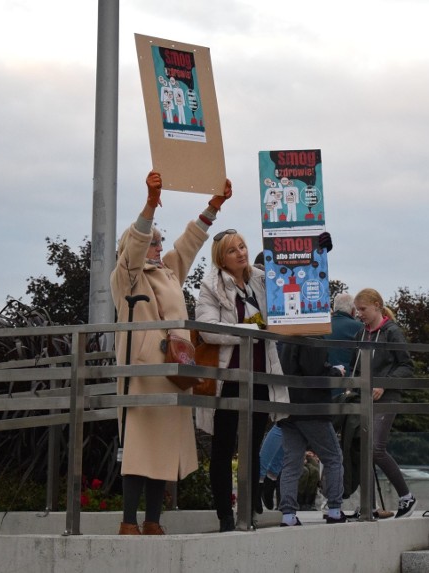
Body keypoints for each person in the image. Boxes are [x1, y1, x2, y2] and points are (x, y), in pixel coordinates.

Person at [111, 170, 231, 535]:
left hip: (174, 371)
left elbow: (189, 244)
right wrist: (149, 204)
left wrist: (213, 205)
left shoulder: (168, 272)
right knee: (138, 450)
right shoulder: (126, 275)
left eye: (159, 242)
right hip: (143, 376)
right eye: (153, 242)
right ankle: (128, 521)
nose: (158, 247)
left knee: (162, 452)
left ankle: (153, 521)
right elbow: (134, 246)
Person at [194, 229, 292, 532]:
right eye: (233, 250)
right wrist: (250, 328)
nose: (241, 253)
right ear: (221, 258)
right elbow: (208, 329)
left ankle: (248, 509)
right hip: (229, 376)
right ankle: (224, 513)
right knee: (223, 447)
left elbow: (297, 275)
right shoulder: (210, 286)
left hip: (261, 373)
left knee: (252, 446)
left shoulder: (261, 278)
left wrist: (319, 249)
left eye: (243, 246)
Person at [350, 288, 418, 519]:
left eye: (363, 309)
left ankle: (406, 497)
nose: (359, 314)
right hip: (363, 397)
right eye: (357, 310)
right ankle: (368, 503)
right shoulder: (361, 334)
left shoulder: (392, 332)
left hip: (387, 397)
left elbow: (407, 365)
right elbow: (355, 365)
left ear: (377, 306)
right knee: (364, 449)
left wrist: (385, 385)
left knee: (375, 448)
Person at [277, 338, 347, 526]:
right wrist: (336, 371)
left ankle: (288, 515)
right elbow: (315, 372)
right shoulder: (313, 337)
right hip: (312, 408)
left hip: (287, 406)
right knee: (333, 457)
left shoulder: (285, 336)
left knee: (291, 462)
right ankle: (334, 510)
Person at [326, 293, 362, 377]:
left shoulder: (322, 327)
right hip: (348, 382)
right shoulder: (360, 328)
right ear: (353, 311)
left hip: (323, 381)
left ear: (335, 308)